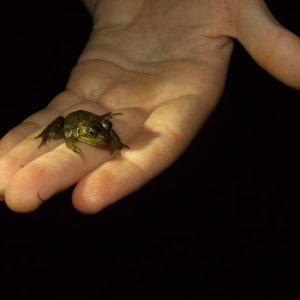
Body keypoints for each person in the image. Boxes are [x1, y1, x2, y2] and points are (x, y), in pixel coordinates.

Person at [0, 0, 299, 213]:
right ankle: (45, 137)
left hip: (90, 115)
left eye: (104, 130)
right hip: (75, 119)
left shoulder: (103, 129)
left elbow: (106, 130)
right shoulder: (77, 130)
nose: (104, 134)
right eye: (99, 131)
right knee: (52, 130)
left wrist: (113, 140)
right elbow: (70, 131)